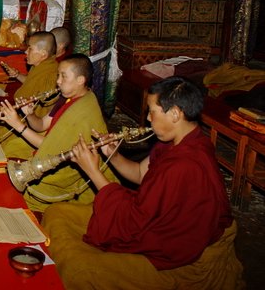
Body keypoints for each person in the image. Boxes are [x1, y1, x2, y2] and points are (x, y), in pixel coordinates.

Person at [43, 76, 243, 289]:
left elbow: (134, 222)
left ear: (175, 114)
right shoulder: (176, 141)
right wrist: (112, 154)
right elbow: (140, 173)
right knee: (57, 214)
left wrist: (93, 171)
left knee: (80, 269)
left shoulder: (188, 164)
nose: (147, 119)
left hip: (176, 253)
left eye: (152, 112)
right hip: (146, 218)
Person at [0, 54, 117, 212]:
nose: (58, 81)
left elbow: (52, 151)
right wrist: (30, 114)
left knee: (13, 189)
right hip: (50, 149)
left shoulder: (83, 110)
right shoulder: (67, 97)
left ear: (80, 80)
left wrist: (18, 125)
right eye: (58, 75)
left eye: (63, 76)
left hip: (67, 169)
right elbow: (41, 125)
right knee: (9, 148)